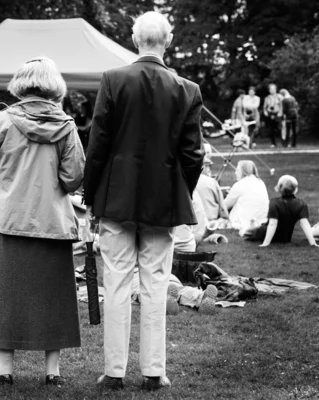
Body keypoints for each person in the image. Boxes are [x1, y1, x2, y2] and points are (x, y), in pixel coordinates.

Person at [84, 12, 204, 392]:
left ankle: (115, 371)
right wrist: (179, 189)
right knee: (155, 284)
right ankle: (154, 371)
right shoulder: (187, 89)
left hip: (116, 197)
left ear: (135, 40)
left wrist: (91, 196)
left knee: (117, 284)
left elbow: (98, 143)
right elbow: (193, 154)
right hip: (162, 200)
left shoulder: (113, 79)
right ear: (167, 41)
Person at [0, 57, 85, 386]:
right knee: (54, 297)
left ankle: (5, 367)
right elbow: (73, 179)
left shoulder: (0, 121)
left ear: (20, 84)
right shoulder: (67, 126)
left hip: (10, 219)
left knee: (6, 295)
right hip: (52, 221)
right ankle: (52, 370)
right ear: (54, 85)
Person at [242, 175, 319, 246]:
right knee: (257, 226)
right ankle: (256, 225)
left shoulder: (274, 202)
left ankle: (255, 225)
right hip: (285, 238)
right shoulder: (301, 204)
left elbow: (273, 224)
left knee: (247, 232)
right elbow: (305, 224)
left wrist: (266, 243)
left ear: (279, 188)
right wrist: (313, 243)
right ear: (295, 189)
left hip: (265, 233)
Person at [224, 160, 269, 237]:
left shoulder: (239, 184)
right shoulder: (260, 182)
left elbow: (224, 205)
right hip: (262, 218)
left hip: (246, 218)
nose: (235, 173)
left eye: (237, 170)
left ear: (243, 172)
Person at [196, 157, 229, 221]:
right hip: (211, 220)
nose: (209, 169)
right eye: (207, 166)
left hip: (193, 222)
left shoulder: (185, 182)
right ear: (203, 167)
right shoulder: (212, 182)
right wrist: (226, 218)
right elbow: (223, 209)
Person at [263, 83, 283, 147]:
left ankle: (283, 142)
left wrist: (280, 112)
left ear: (276, 89)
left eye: (273, 89)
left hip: (277, 113)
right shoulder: (267, 98)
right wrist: (265, 112)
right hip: (270, 114)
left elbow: (282, 106)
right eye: (270, 89)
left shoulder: (279, 97)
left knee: (279, 128)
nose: (272, 90)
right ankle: (273, 143)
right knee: (271, 129)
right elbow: (265, 107)